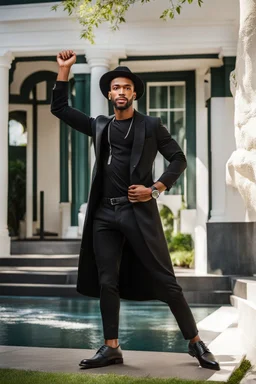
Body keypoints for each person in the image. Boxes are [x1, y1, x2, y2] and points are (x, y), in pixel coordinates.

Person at [51, 50, 220, 372]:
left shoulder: (151, 126)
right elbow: (59, 108)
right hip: (103, 215)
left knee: (166, 280)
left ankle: (196, 342)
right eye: (116, 87)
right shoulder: (99, 126)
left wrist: (155, 188)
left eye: (126, 87)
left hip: (137, 212)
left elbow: (179, 159)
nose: (121, 92)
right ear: (109, 93)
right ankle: (111, 348)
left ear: (134, 93)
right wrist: (63, 71)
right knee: (107, 281)